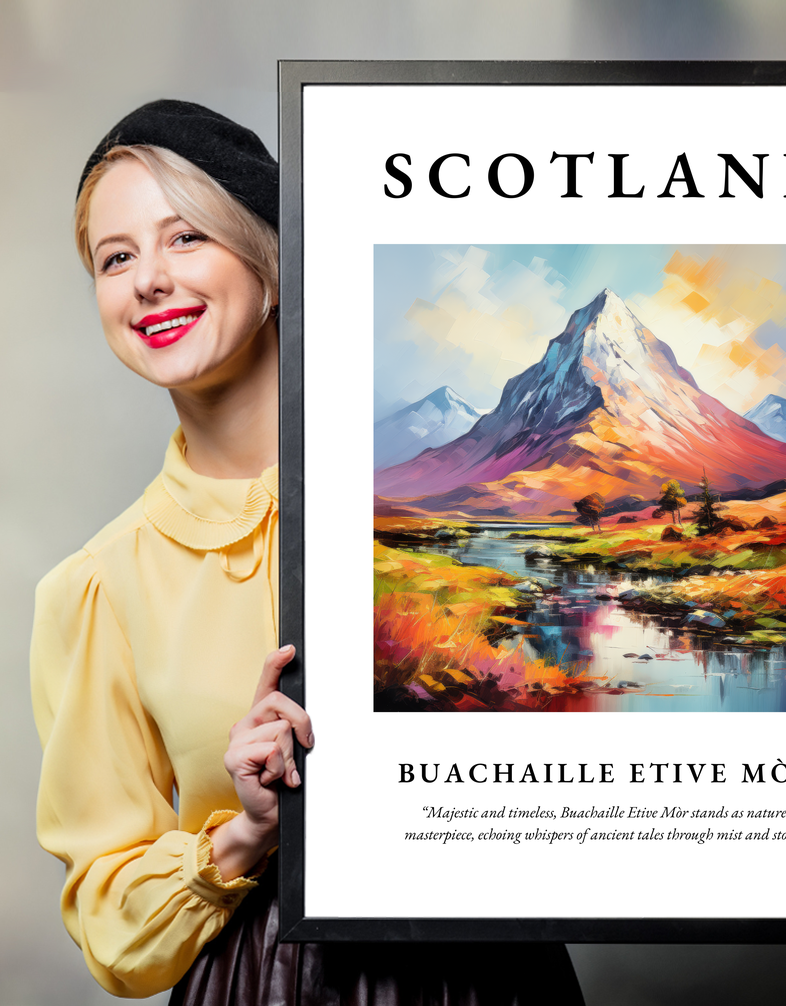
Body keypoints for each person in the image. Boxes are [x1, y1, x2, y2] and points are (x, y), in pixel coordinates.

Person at [30, 100, 585, 1004]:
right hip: (263, 982)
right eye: (115, 258)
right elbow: (111, 925)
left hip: (491, 973)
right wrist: (246, 833)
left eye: (186, 237)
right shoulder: (97, 587)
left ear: (273, 263)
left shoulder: (438, 504)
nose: (149, 281)